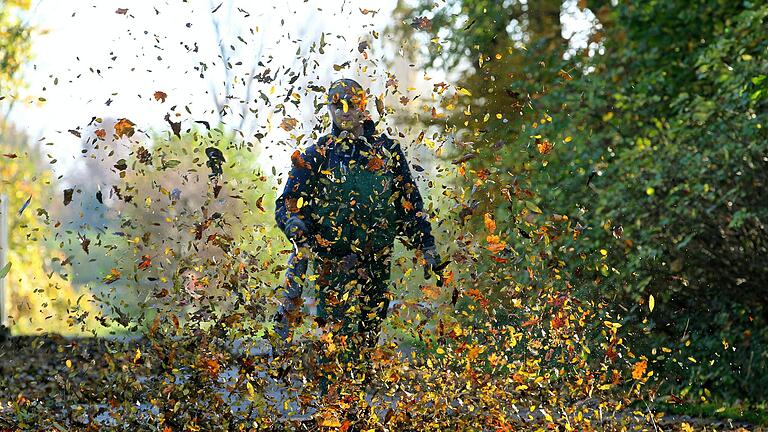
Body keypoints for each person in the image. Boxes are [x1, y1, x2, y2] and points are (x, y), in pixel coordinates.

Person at [273, 78, 441, 387]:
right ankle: (332, 407)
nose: (346, 112)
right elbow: (286, 204)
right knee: (336, 338)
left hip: (376, 262)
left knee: (367, 337)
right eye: (338, 106)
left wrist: (426, 246)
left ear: (364, 106)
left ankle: (356, 409)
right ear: (330, 109)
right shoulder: (316, 156)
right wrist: (295, 225)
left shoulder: (387, 151)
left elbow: (409, 203)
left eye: (352, 105)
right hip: (332, 263)